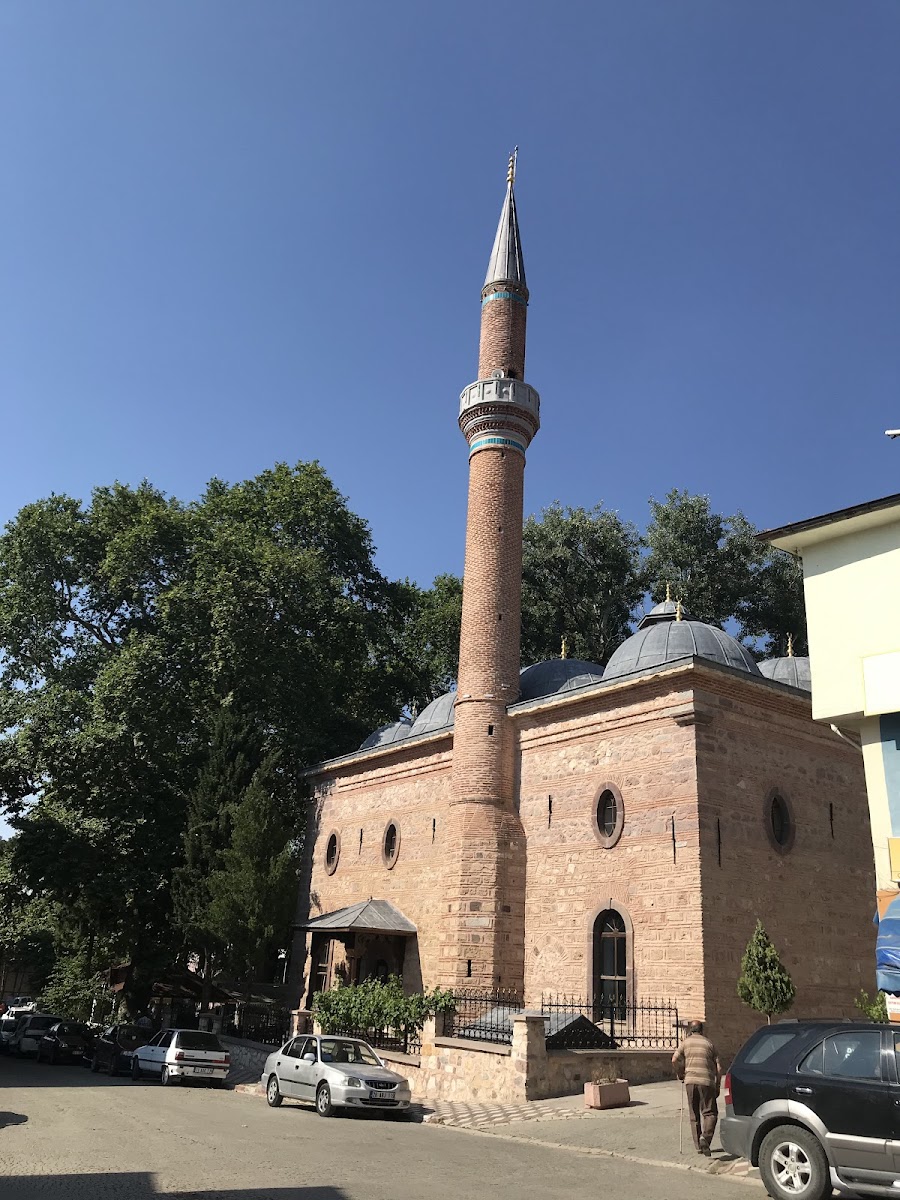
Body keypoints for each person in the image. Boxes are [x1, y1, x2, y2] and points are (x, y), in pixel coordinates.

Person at [672, 1020, 722, 1156]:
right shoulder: (709, 1044)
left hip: (690, 1081)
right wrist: (718, 1085)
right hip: (706, 1081)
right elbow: (719, 1068)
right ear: (702, 1030)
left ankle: (698, 1147)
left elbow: (674, 1059)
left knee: (694, 1114)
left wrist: (680, 1073)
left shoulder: (685, 1043)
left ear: (690, 1030)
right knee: (710, 1113)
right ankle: (705, 1138)